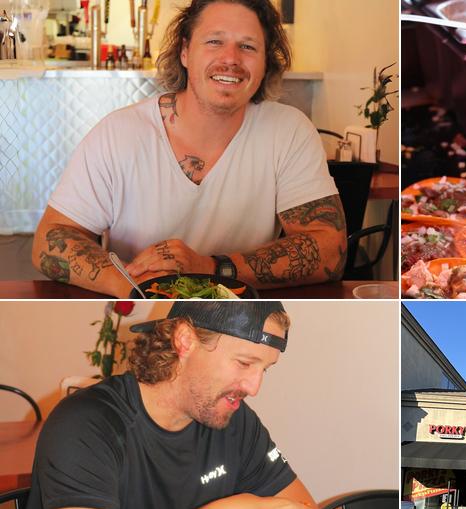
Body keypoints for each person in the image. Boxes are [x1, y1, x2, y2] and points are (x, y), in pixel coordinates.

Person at [31, 0, 347, 298]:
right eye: (214, 41)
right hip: (138, 317)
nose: (231, 59)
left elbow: (330, 250)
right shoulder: (118, 134)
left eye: (248, 46)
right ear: (185, 51)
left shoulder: (288, 131)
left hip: (242, 317)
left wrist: (211, 268)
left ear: (266, 63)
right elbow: (51, 239)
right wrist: (137, 288)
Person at [14, 301, 319, 509]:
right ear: (185, 340)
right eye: (244, 363)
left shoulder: (236, 423)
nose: (254, 387)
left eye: (266, 369)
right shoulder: (87, 422)